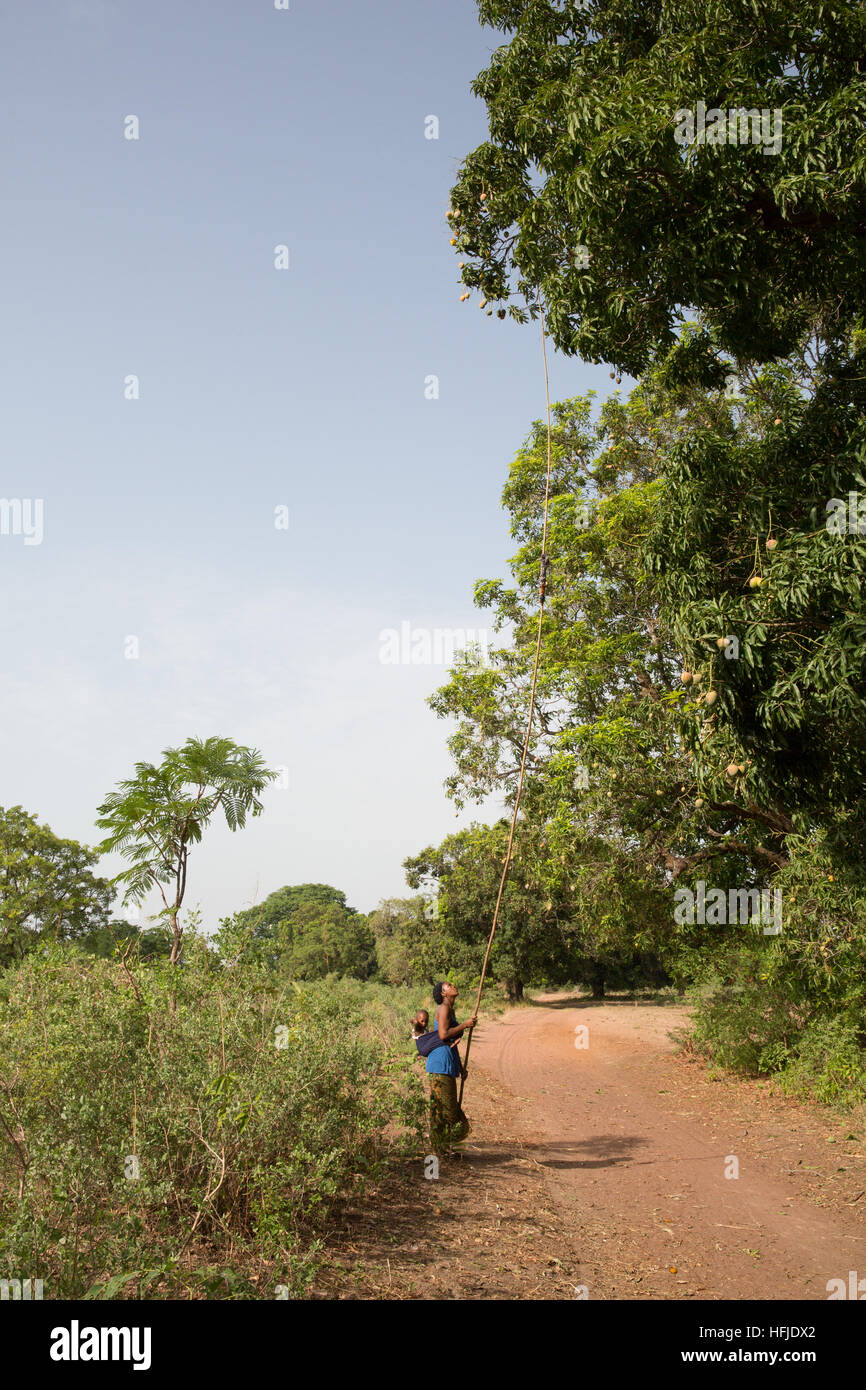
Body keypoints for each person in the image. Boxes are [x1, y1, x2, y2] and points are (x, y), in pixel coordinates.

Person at [426, 980, 476, 1151]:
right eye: (449, 986)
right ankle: (441, 1150)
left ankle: (444, 1148)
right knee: (446, 1112)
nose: (454, 986)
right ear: (443, 993)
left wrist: (460, 1067)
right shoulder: (444, 1008)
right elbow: (443, 1035)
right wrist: (464, 1025)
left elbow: (451, 1042)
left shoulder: (450, 1009)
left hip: (446, 1062)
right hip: (440, 1063)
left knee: (447, 1110)